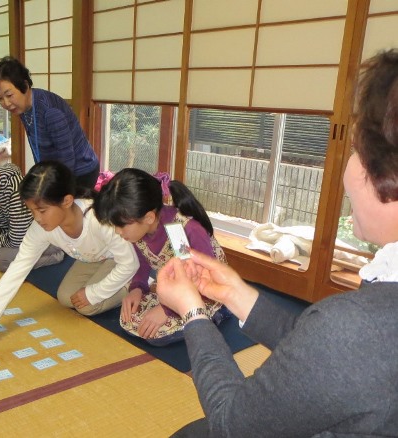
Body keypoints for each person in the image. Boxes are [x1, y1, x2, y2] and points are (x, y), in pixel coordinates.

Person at [158, 50, 398, 437]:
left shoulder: (355, 327)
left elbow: (232, 425)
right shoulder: (360, 327)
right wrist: (239, 295)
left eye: (357, 149)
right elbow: (328, 360)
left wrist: (192, 313)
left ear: (388, 173)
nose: (348, 166)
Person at [0, 161, 138, 342]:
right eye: (32, 211)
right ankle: (113, 283)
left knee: (87, 305)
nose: (37, 218)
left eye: (42, 210)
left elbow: (129, 262)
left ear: (67, 201)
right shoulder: (41, 228)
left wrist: (94, 293)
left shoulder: (98, 218)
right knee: (66, 298)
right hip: (92, 259)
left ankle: (136, 286)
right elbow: (18, 268)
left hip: (120, 260)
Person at [93, 169, 227, 346]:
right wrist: (137, 288)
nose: (118, 232)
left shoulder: (179, 231)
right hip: (178, 286)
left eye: (121, 225)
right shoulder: (140, 229)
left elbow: (200, 281)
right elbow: (142, 261)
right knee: (132, 320)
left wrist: (168, 310)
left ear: (148, 217)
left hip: (204, 291)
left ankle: (219, 313)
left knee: (156, 335)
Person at [0, 56, 100, 190]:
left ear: (25, 85)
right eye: (0, 98)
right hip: (56, 168)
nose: (6, 103)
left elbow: (67, 159)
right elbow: (38, 147)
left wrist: (56, 189)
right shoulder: (23, 107)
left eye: (9, 95)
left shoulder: (50, 112)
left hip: (80, 171)